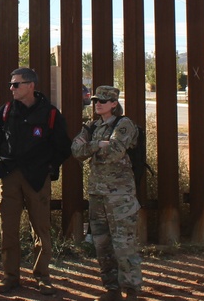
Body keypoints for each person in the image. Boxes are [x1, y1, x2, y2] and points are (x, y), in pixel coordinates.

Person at [0, 67, 72, 295]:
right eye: (11, 84)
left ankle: (43, 277)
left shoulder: (50, 114)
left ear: (31, 85)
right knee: (8, 229)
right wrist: (0, 163)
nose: (11, 88)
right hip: (10, 177)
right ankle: (10, 277)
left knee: (41, 229)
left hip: (37, 178)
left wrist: (47, 168)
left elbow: (62, 146)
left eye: (16, 84)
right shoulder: (4, 112)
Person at [71, 85, 143, 300]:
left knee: (124, 246)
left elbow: (113, 152)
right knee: (102, 245)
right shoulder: (93, 127)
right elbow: (75, 150)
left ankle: (131, 290)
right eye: (95, 100)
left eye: (103, 100)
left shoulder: (124, 125)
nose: (98, 104)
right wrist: (98, 144)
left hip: (120, 196)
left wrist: (92, 147)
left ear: (114, 103)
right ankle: (111, 289)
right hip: (97, 195)